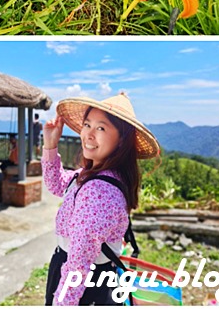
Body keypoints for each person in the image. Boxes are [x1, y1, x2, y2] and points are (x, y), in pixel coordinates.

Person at [40, 92, 161, 306]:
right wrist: (50, 145)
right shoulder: (93, 175)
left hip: (83, 284)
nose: (88, 134)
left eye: (101, 128)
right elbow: (58, 185)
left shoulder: (99, 190)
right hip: (90, 276)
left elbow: (78, 264)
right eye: (87, 125)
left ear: (122, 139)